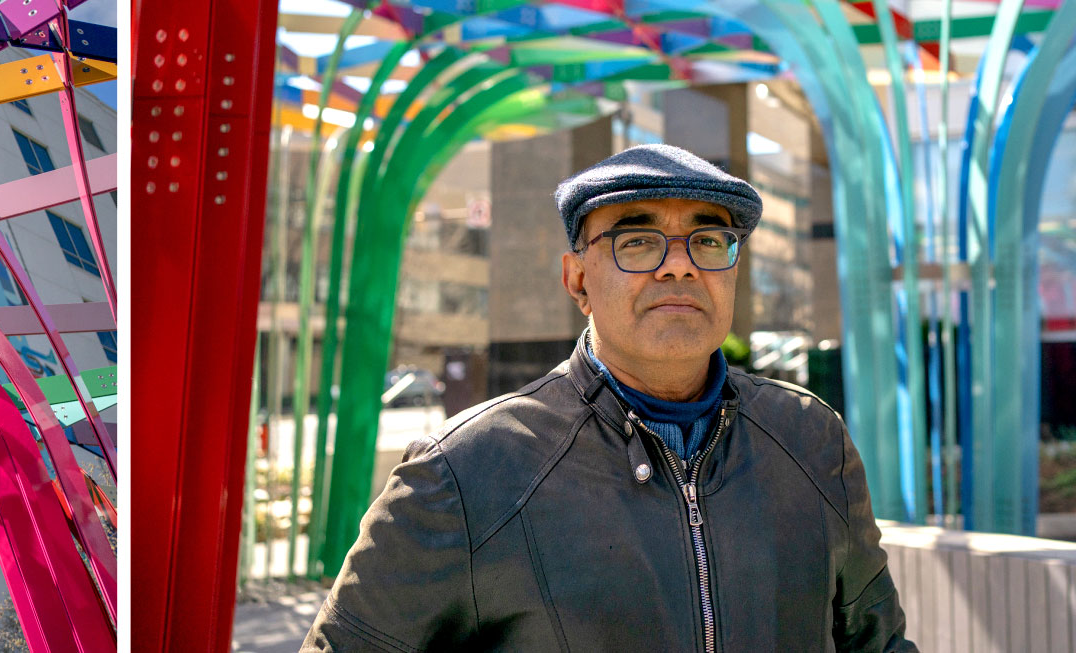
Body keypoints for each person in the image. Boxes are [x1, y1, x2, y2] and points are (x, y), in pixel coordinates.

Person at [304, 144, 915, 652]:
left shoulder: (811, 441)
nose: (679, 268)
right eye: (638, 242)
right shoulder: (464, 474)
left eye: (707, 240)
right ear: (577, 280)